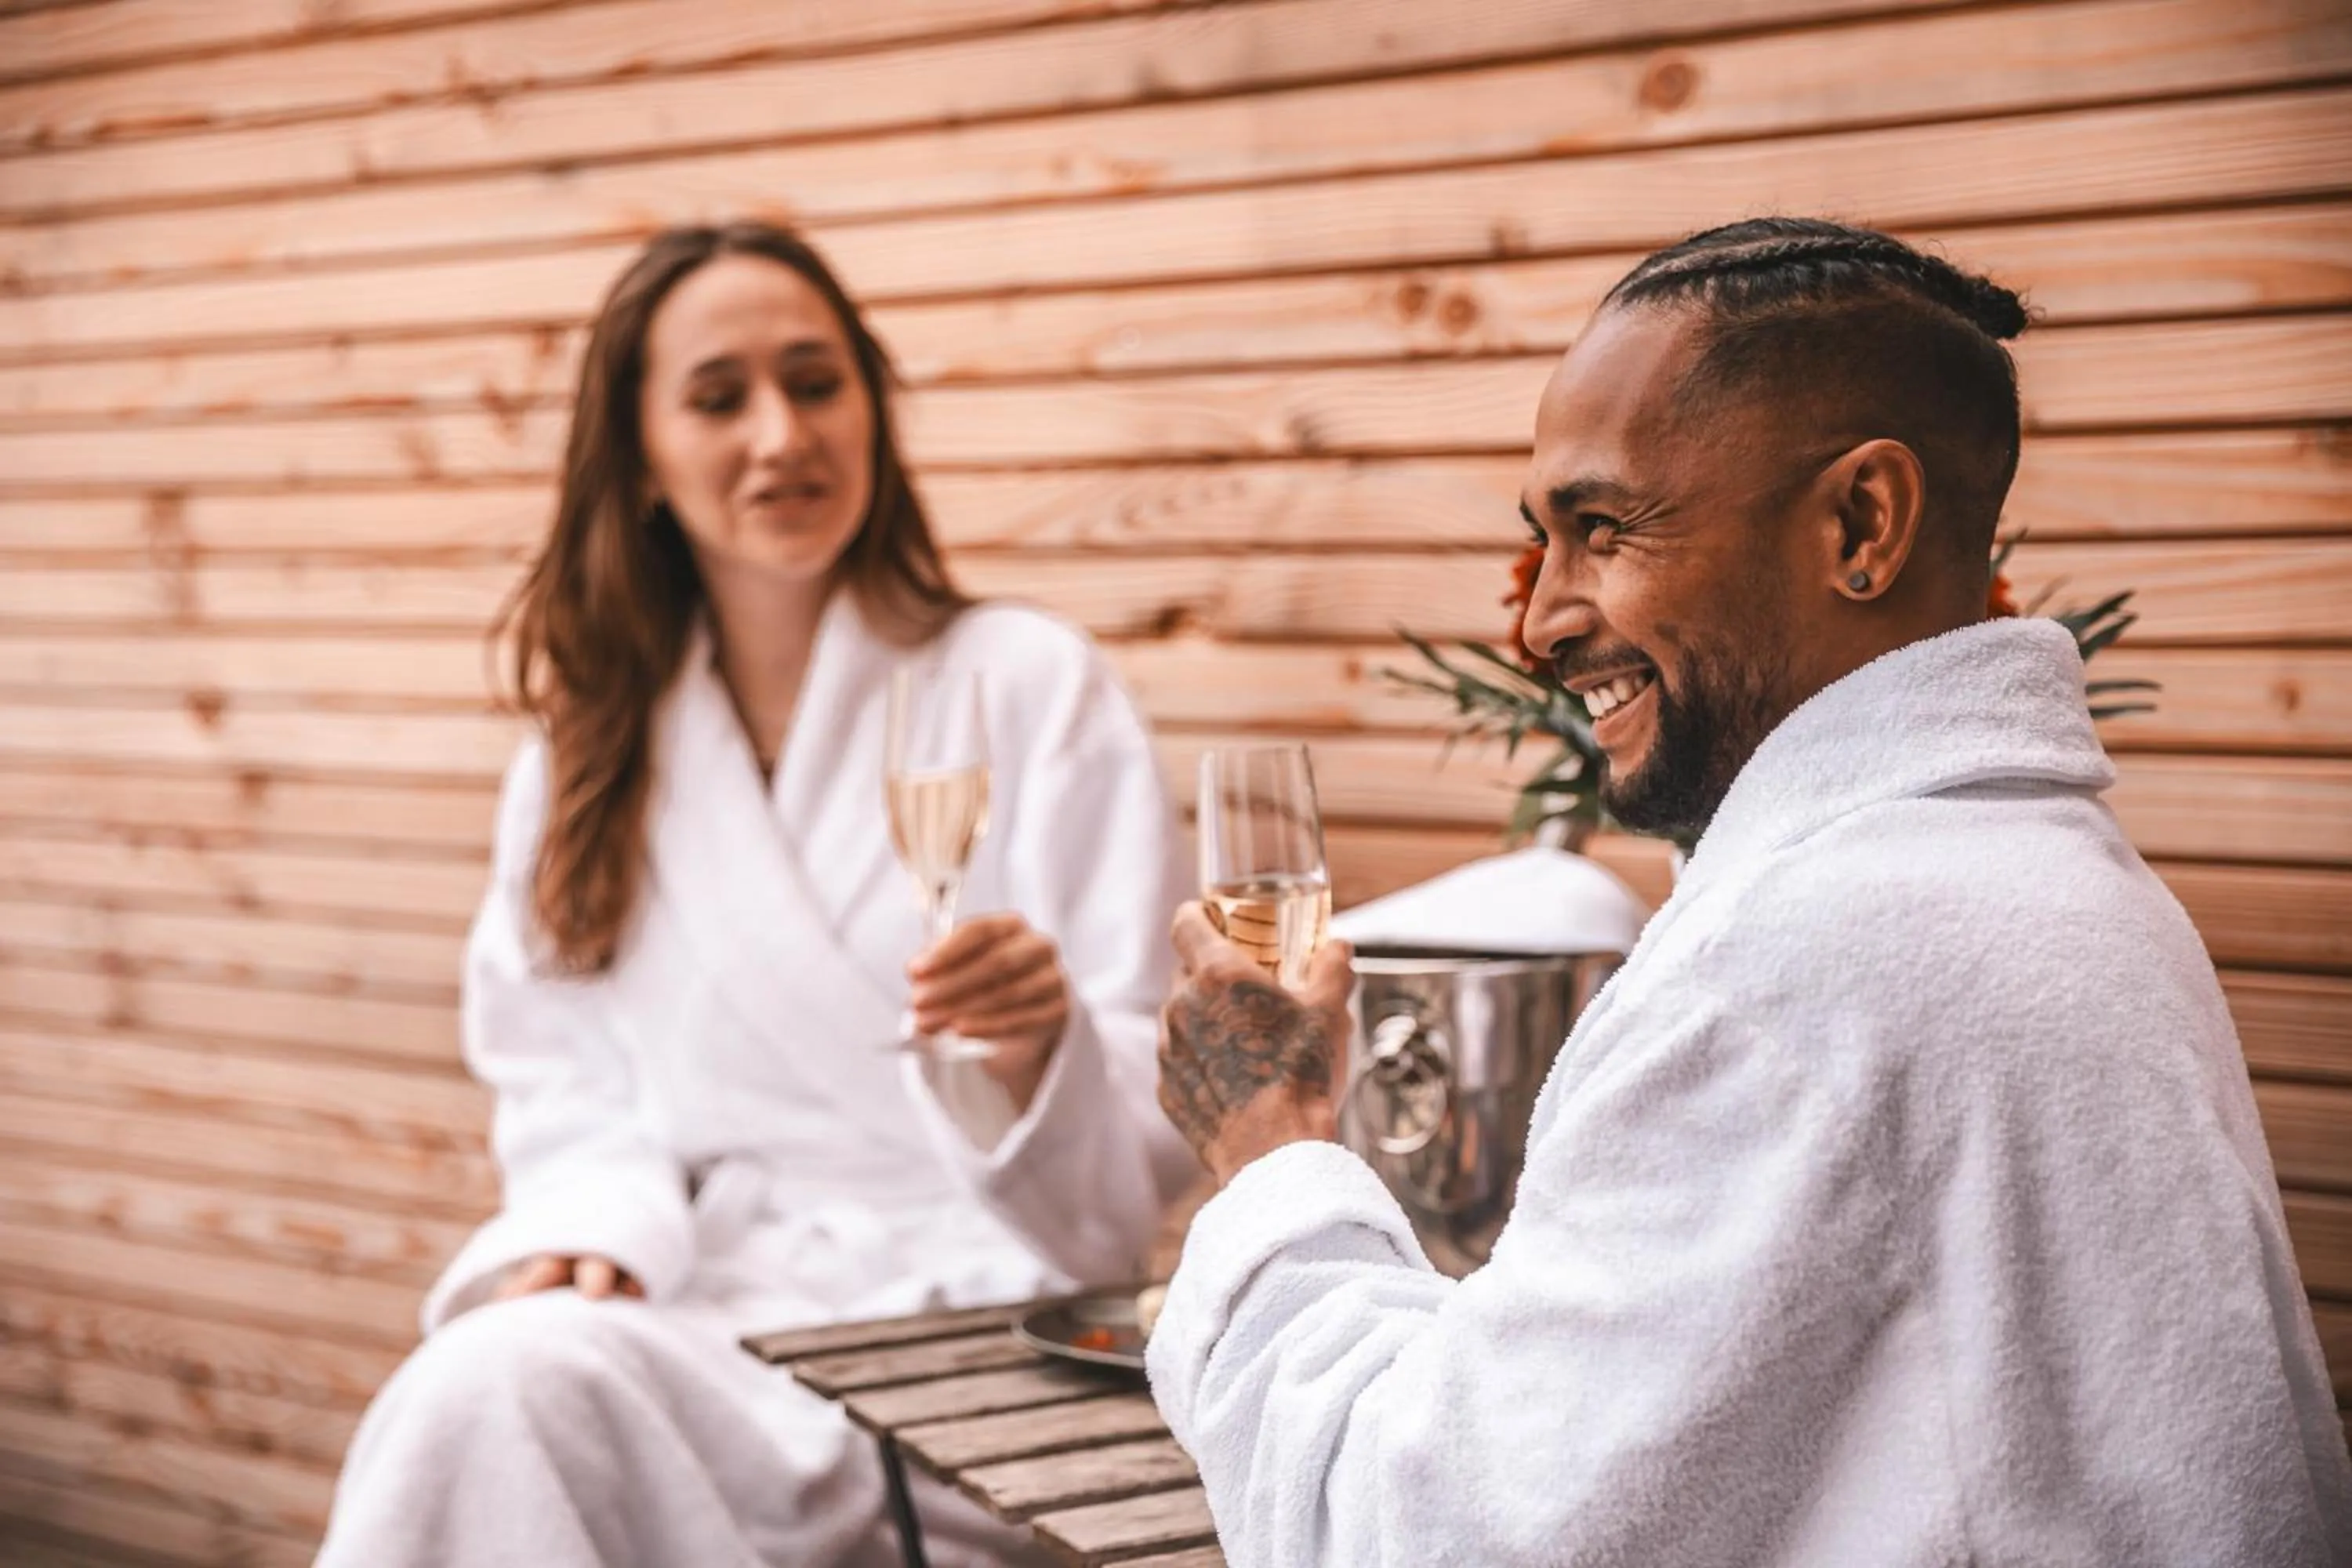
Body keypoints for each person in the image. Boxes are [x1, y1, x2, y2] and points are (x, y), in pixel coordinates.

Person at [1146, 218, 2352, 1567]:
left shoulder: (1800, 965)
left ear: (1862, 523)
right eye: (1543, 542)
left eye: (1605, 527)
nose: (1542, 618)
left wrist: (1268, 1148)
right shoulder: (2077, 888)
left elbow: (1414, 1537)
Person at [317, 221, 1196, 1568]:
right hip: (717, 1308)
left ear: (872, 409)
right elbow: (563, 1082)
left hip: (980, 1321)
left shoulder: (1028, 682)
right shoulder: (587, 755)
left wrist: (1036, 1054)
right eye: (720, 398)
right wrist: (590, 1227)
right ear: (643, 459)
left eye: (817, 380)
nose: (782, 433)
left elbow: (1146, 1083)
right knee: (486, 1384)